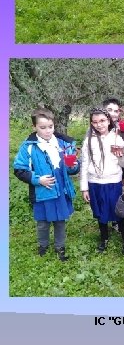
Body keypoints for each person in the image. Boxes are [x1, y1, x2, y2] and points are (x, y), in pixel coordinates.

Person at [13, 108, 80, 261]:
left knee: (60, 221)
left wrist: (73, 166)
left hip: (60, 189)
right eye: (42, 128)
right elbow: (19, 169)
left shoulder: (63, 143)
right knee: (43, 222)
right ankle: (43, 245)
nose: (47, 131)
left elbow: (73, 167)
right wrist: (38, 180)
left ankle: (60, 247)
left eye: (50, 126)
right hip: (42, 192)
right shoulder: (29, 146)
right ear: (34, 127)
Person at [80, 108, 124, 254]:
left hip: (113, 182)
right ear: (91, 123)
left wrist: (121, 155)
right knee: (100, 211)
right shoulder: (88, 141)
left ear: (108, 121)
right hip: (95, 183)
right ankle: (104, 238)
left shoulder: (116, 138)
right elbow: (84, 164)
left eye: (102, 121)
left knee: (118, 211)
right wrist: (84, 187)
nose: (99, 125)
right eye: (95, 122)